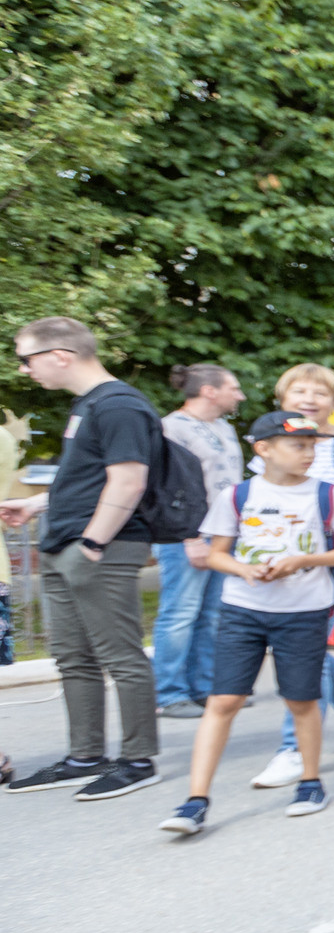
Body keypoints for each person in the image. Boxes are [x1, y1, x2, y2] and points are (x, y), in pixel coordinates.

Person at [158, 411, 334, 834]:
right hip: (243, 610)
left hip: (304, 612)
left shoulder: (328, 495)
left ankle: (311, 783)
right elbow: (217, 553)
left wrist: (305, 560)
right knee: (224, 701)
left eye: (312, 445)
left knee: (301, 700)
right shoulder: (237, 496)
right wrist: (243, 570)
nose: (307, 453)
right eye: (297, 445)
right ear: (264, 449)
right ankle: (194, 801)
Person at [2, 318, 164, 798]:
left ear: (60, 355)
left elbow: (129, 481)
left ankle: (138, 760)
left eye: (27, 358)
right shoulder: (89, 405)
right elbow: (91, 479)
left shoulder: (119, 404)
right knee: (73, 657)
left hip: (101, 548)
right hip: (65, 543)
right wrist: (37, 504)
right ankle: (84, 755)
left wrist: (91, 545)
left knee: (120, 656)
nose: (24, 368)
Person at [241, 363, 334, 786]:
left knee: (302, 650)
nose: (309, 399)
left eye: (319, 393)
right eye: (299, 391)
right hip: (282, 567)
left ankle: (293, 750)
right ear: (283, 398)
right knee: (303, 648)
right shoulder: (273, 445)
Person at [153, 364, 246, 718]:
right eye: (233, 388)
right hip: (188, 533)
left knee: (213, 613)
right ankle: (170, 692)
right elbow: (169, 487)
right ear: (209, 391)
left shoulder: (222, 427)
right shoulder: (172, 428)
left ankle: (205, 688)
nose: (239, 395)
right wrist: (190, 536)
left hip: (223, 532)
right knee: (180, 612)